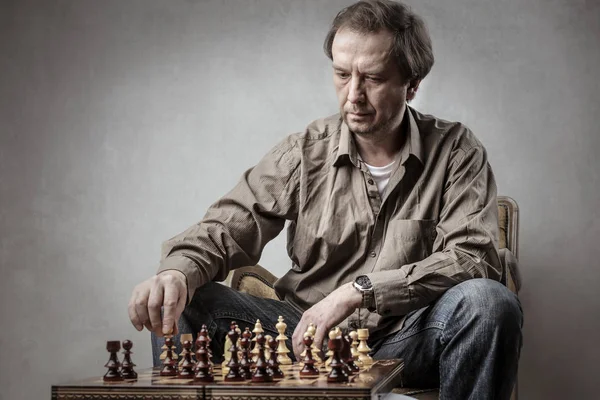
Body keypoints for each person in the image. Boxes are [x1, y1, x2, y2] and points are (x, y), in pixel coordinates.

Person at [128, 0, 523, 398]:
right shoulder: (303, 152)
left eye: (372, 77)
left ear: (412, 83)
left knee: (488, 303)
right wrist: (176, 272)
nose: (354, 95)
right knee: (188, 299)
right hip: (302, 337)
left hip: (407, 338)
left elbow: (472, 257)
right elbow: (227, 226)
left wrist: (358, 291)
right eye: (341, 74)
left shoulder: (456, 151)